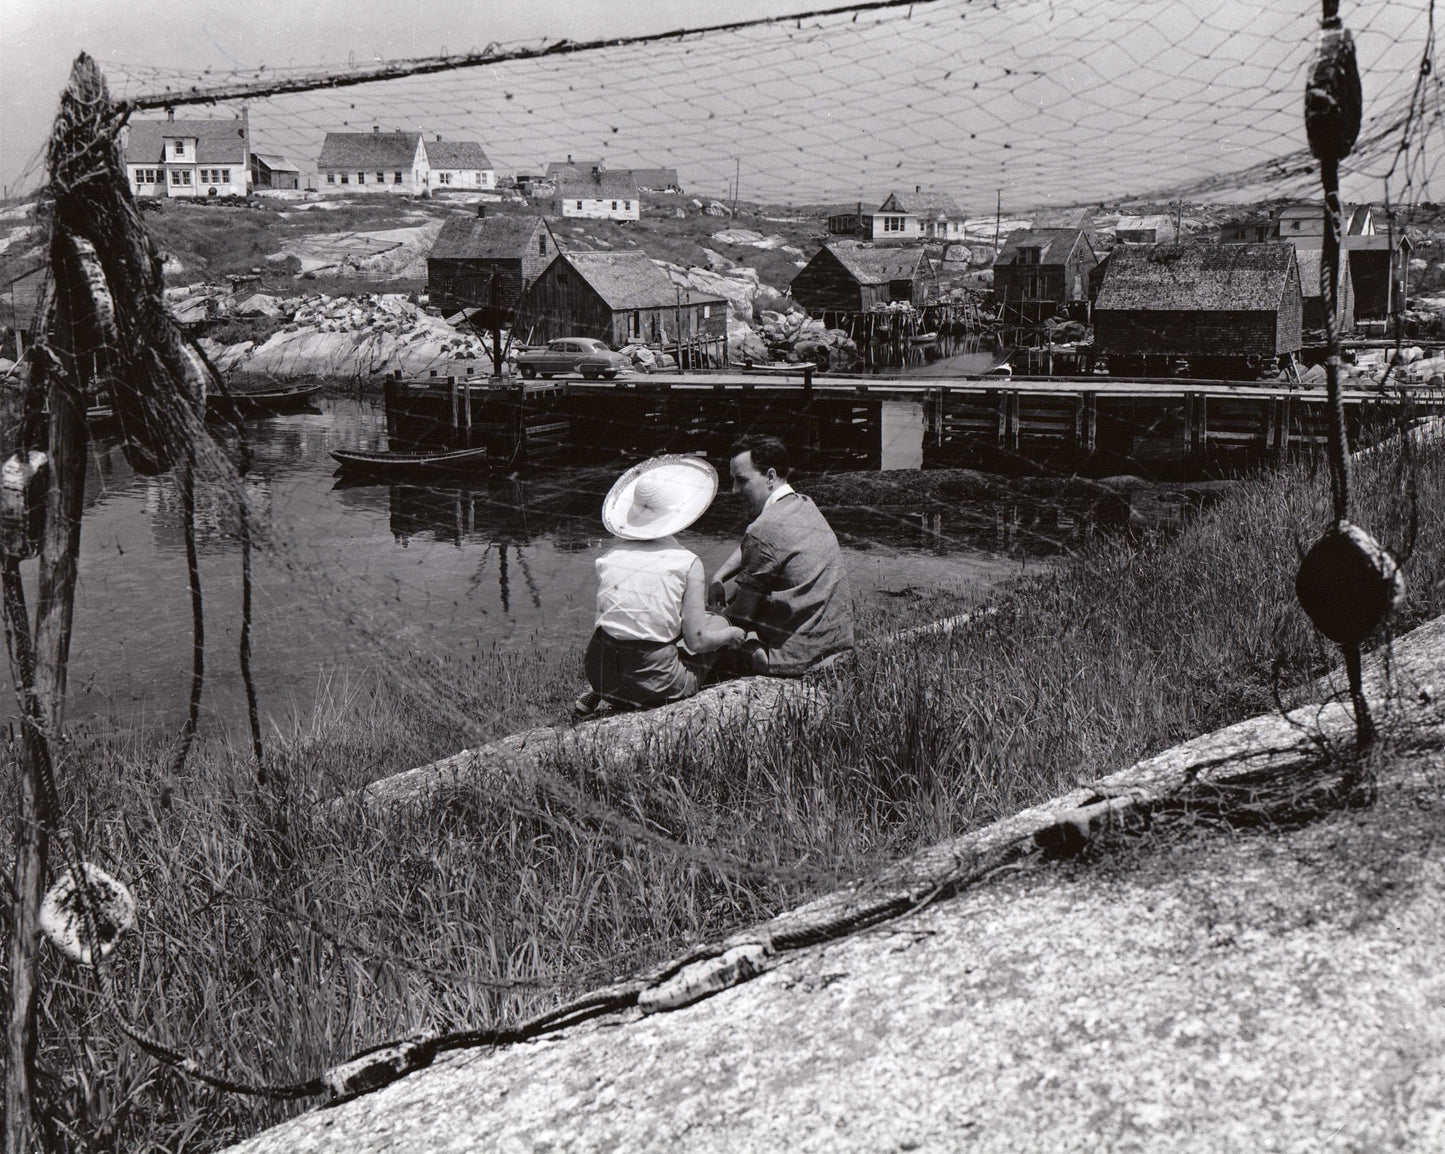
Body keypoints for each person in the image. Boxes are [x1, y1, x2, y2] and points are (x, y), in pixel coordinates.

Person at [578, 455, 745, 715]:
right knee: (717, 624)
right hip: (655, 683)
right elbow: (697, 641)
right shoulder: (687, 562)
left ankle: (598, 693)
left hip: (601, 673)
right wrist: (730, 635)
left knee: (638, 631)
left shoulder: (609, 558)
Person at [710, 435, 854, 676]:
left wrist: (711, 617)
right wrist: (719, 575)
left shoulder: (763, 530)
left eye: (741, 480)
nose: (734, 490)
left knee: (707, 635)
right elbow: (759, 545)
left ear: (770, 476)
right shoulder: (804, 504)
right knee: (745, 589)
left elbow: (741, 616)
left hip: (795, 659)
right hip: (836, 644)